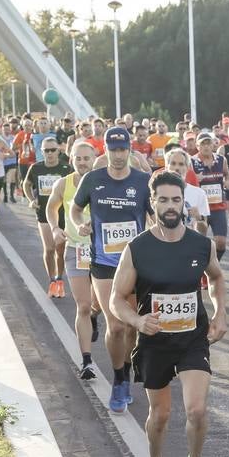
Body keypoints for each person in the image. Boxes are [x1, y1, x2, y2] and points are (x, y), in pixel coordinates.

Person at [109, 173, 227, 457]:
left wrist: (219, 314)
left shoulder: (200, 244)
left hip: (192, 339)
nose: (171, 206)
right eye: (164, 200)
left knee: (197, 409)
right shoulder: (138, 248)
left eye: (176, 200)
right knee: (160, 415)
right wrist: (137, 320)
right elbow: (117, 298)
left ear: (184, 204)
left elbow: (217, 279)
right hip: (154, 341)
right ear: (153, 203)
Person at [70, 126, 153, 412]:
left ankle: (127, 369)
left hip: (135, 264)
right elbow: (75, 208)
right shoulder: (93, 179)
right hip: (103, 263)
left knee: (131, 326)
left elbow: (154, 215)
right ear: (105, 150)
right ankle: (119, 379)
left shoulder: (143, 181)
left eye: (123, 149)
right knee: (116, 325)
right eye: (113, 150)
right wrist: (79, 222)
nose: (118, 156)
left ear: (130, 150)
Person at [46, 140, 102, 380]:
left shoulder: (103, 182)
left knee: (98, 306)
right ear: (71, 160)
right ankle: (87, 362)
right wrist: (55, 229)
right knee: (82, 305)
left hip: (104, 252)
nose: (82, 162)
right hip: (76, 250)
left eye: (86, 158)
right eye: (77, 158)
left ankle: (94, 316)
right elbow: (50, 208)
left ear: (94, 159)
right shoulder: (64, 183)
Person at [23, 135, 72, 299]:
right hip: (43, 213)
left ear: (58, 151)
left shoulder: (66, 169)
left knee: (60, 249)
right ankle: (52, 280)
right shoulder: (36, 168)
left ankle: (60, 279)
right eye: (46, 151)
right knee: (49, 248)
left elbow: (75, 187)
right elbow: (26, 184)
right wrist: (31, 200)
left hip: (63, 214)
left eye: (53, 150)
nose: (50, 153)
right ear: (41, 151)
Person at [191, 130, 229, 258]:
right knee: (199, 242)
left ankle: (214, 264)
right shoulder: (192, 162)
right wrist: (194, 179)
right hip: (201, 209)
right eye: (203, 144)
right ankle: (201, 268)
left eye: (208, 143)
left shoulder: (221, 159)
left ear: (213, 145)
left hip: (218, 207)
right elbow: (186, 181)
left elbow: (227, 173)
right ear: (198, 146)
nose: (206, 146)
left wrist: (228, 180)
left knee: (221, 243)